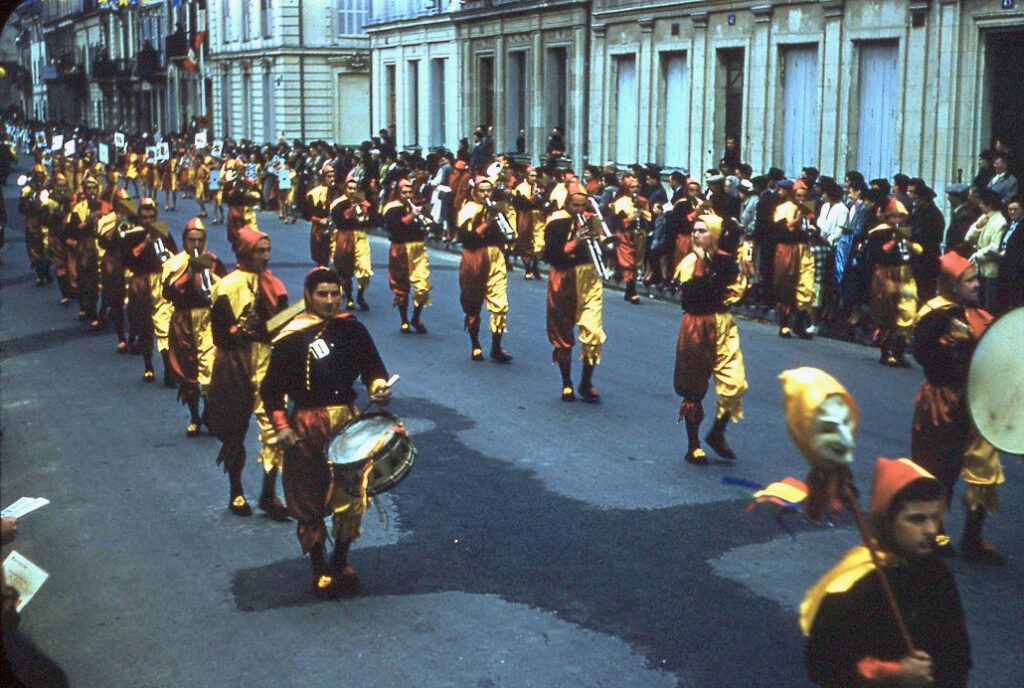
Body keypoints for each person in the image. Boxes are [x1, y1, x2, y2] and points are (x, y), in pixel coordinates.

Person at [260, 267, 392, 598]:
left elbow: (374, 369)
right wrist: (282, 427)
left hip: (347, 424)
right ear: (308, 296)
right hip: (306, 425)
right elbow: (271, 391)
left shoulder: (353, 330)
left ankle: (340, 560)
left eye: (335, 294)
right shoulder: (290, 338)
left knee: (351, 496)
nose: (330, 301)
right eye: (323, 294)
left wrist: (378, 387)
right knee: (309, 498)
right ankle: (319, 568)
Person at [803, 457, 971, 688]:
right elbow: (824, 665)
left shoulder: (938, 575)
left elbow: (958, 655)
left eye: (935, 517)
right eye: (917, 519)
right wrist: (896, 672)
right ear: (887, 520)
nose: (932, 529)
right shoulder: (856, 583)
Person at [911, 252, 1005, 564]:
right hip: (944, 400)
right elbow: (924, 353)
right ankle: (934, 531)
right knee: (940, 467)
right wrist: (953, 355)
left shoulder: (978, 314)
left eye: (977, 278)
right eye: (970, 279)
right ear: (952, 285)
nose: (978, 284)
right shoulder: (936, 314)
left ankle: (973, 536)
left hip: (978, 402)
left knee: (984, 468)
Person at [206, 226, 289, 520]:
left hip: (266, 359)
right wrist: (241, 330)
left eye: (267, 250)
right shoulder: (227, 286)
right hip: (235, 361)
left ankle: (268, 493)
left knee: (274, 426)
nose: (265, 256)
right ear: (245, 252)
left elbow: (280, 327)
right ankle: (236, 490)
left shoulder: (275, 286)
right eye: (259, 250)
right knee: (235, 427)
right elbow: (220, 333)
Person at [673, 215, 747, 465]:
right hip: (696, 325)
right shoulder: (688, 264)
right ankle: (693, 445)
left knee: (734, 383)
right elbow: (691, 299)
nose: (696, 235)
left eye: (703, 231)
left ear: (714, 234)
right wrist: (706, 271)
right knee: (694, 388)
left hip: (723, 324)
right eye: (694, 230)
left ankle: (717, 432)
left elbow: (736, 291)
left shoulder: (726, 261)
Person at [162, 218, 228, 436]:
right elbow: (168, 294)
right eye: (192, 240)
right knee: (188, 373)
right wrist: (190, 273)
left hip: (207, 320)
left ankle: (209, 412)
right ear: (184, 241)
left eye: (200, 240)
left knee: (210, 370)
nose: (196, 245)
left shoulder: (214, 262)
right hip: (184, 320)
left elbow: (225, 289)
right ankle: (194, 416)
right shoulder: (174, 264)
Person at [543, 192, 607, 402]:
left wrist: (599, 240)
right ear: (567, 204)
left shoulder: (591, 220)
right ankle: (566, 383)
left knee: (593, 330)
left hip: (589, 277)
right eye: (575, 205)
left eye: (583, 205)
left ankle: (586, 382)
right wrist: (575, 241)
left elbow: (605, 248)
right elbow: (551, 255)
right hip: (564, 278)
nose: (579, 209)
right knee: (563, 331)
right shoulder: (557, 221)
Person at [456, 178, 514, 362]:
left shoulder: (497, 209)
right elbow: (466, 238)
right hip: (475, 257)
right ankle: (475, 344)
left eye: (489, 191)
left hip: (495, 255)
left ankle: (496, 348)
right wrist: (487, 223)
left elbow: (509, 234)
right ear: (475, 192)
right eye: (482, 191)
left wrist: (502, 222)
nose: (486, 194)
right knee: (473, 303)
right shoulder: (469, 209)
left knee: (500, 304)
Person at [121, 198, 177, 382]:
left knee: (164, 327)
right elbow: (127, 260)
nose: (148, 221)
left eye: (151, 217)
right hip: (140, 282)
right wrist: (146, 242)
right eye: (144, 218)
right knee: (145, 326)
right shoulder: (132, 235)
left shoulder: (163, 232)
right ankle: (148, 366)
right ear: (139, 217)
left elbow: (175, 256)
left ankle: (168, 369)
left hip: (160, 282)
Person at [864, 198, 920, 367]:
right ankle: (886, 351)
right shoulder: (878, 233)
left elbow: (917, 252)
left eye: (901, 217)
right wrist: (892, 241)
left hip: (906, 274)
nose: (897, 220)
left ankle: (899, 351)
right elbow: (876, 255)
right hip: (886, 274)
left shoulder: (907, 232)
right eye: (894, 216)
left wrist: (912, 245)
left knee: (908, 312)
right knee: (887, 313)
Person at [382, 180, 432, 333]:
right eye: (404, 193)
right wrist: (412, 215)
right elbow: (395, 227)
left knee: (422, 286)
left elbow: (429, 222)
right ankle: (404, 320)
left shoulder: (417, 205)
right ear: (398, 193)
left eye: (410, 192)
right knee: (401, 286)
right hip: (401, 248)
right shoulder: (391, 208)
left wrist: (424, 217)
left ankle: (416, 318)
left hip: (418, 248)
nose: (408, 195)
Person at [771, 179, 815, 338]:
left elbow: (814, 228)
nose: (802, 199)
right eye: (799, 195)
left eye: (804, 195)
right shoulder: (783, 209)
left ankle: (799, 323)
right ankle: (784, 323)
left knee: (806, 286)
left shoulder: (809, 209)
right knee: (785, 286)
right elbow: (779, 231)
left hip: (804, 250)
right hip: (787, 250)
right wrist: (795, 222)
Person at [330, 178, 374, 310]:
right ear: (345, 188)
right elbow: (339, 220)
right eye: (350, 188)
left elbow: (369, 220)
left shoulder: (362, 201)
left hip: (360, 236)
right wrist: (351, 210)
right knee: (344, 269)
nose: (352, 191)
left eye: (354, 188)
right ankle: (349, 297)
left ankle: (360, 295)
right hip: (344, 235)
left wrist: (365, 213)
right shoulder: (338, 203)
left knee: (365, 268)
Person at [963, 189, 1007, 312]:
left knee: (988, 305)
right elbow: (968, 237)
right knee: (979, 302)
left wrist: (977, 255)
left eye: (982, 203)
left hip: (991, 270)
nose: (980, 205)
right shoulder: (986, 218)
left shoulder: (999, 221)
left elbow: (994, 246)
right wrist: (977, 225)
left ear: (990, 204)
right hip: (980, 268)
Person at [610, 173, 651, 304]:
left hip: (639, 234)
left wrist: (642, 213)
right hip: (625, 235)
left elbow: (650, 218)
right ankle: (631, 290)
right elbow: (616, 222)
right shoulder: (620, 202)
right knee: (628, 263)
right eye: (633, 187)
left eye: (638, 187)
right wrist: (630, 219)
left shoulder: (643, 201)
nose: (636, 189)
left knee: (637, 262)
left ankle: (629, 290)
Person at [512, 167, 546, 280]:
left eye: (535, 176)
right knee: (525, 243)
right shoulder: (520, 188)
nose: (534, 178)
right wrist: (533, 197)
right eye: (531, 176)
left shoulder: (540, 187)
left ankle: (535, 265)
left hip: (537, 217)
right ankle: (527, 269)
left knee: (540, 243)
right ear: (527, 176)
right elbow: (522, 204)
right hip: (526, 216)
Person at [994, 196, 1023, 314]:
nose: (1012, 212)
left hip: (1016, 267)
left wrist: (1008, 253)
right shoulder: (1010, 224)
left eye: (1015, 209)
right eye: (1010, 209)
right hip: (1004, 264)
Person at [304, 163, 336, 267]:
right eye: (329, 176)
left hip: (333, 229)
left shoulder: (337, 192)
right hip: (319, 229)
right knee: (320, 257)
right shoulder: (314, 193)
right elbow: (309, 214)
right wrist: (320, 220)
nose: (331, 179)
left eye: (333, 176)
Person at [942, 183, 978, 256]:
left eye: (950, 196)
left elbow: (962, 239)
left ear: (957, 198)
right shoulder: (961, 212)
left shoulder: (964, 216)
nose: (948, 198)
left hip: (957, 256)